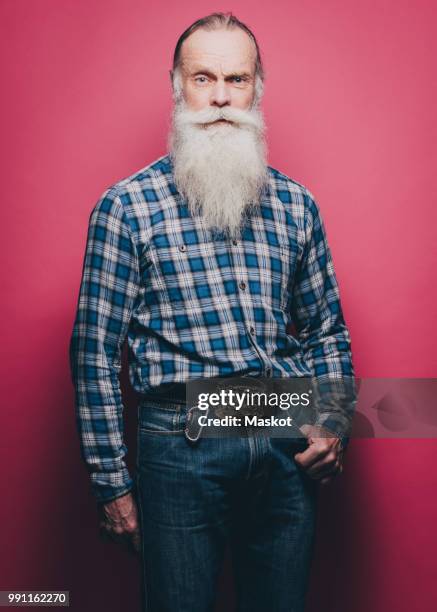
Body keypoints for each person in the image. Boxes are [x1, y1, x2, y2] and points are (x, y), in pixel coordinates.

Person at [69, 12, 356, 612]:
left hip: (285, 432)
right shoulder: (126, 207)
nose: (222, 97)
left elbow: (327, 328)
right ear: (176, 85)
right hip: (180, 442)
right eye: (203, 78)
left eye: (237, 79)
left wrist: (331, 422)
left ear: (258, 87)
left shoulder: (297, 205)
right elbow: (95, 353)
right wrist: (112, 484)